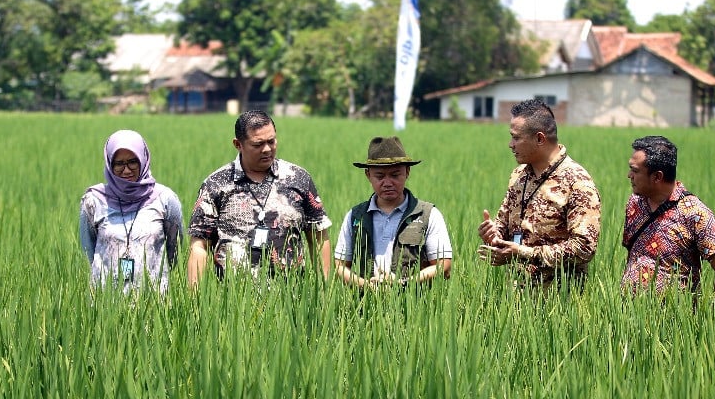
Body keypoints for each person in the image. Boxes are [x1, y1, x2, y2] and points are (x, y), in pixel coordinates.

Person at [187, 109, 332, 285]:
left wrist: (324, 290)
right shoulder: (216, 184)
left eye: (271, 141)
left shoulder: (298, 178)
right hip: (232, 300)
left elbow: (318, 236)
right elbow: (199, 246)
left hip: (290, 298)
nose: (267, 149)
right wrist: (194, 301)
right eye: (258, 144)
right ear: (238, 144)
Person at [477, 99, 601, 288]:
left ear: (540, 139)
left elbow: (584, 247)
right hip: (517, 299)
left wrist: (524, 253)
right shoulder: (518, 176)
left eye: (516, 138)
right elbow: (504, 225)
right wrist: (495, 236)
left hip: (559, 303)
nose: (511, 144)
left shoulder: (577, 183)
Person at [622, 135, 715, 294]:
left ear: (657, 176)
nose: (629, 175)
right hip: (628, 314)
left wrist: (710, 314)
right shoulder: (635, 203)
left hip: (674, 317)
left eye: (635, 170)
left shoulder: (695, 214)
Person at [333, 136, 452, 290]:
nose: (388, 183)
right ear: (368, 175)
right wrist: (367, 287)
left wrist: (404, 283)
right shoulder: (355, 216)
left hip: (414, 307)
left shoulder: (427, 214)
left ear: (407, 172)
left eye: (395, 175)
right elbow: (340, 266)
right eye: (380, 176)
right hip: (365, 305)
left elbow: (444, 266)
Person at [80, 129, 184, 293]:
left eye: (132, 162)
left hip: (153, 300)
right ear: (109, 163)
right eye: (119, 164)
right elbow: (89, 250)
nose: (126, 170)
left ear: (143, 160)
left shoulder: (165, 199)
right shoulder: (94, 201)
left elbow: (174, 250)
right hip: (104, 302)